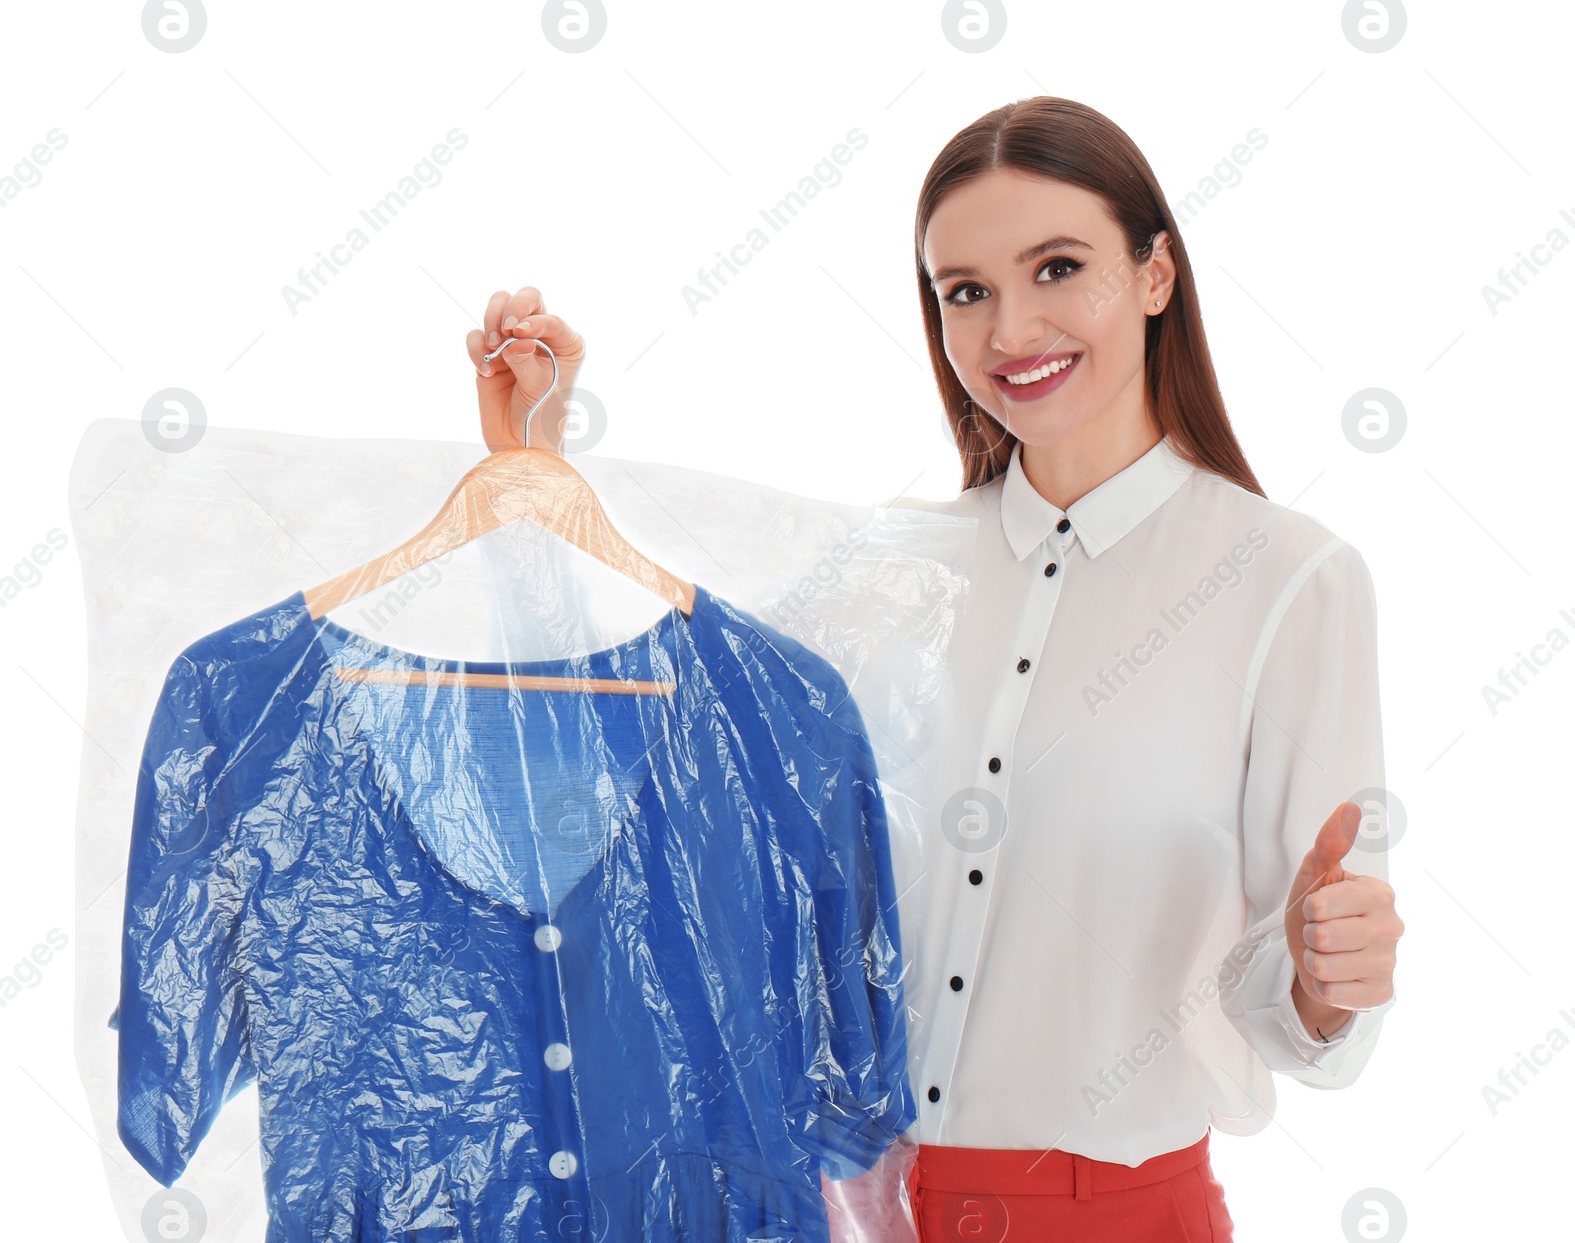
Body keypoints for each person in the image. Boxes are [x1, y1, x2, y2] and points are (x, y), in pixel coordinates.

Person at [462, 95, 1405, 1243]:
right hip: (848, 1207)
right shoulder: (889, 573)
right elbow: (668, 762)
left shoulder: (1285, 580)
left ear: (1156, 274)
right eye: (965, 292)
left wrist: (1322, 978)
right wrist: (537, 469)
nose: (1009, 330)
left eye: (1057, 268)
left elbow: (1294, 1011)